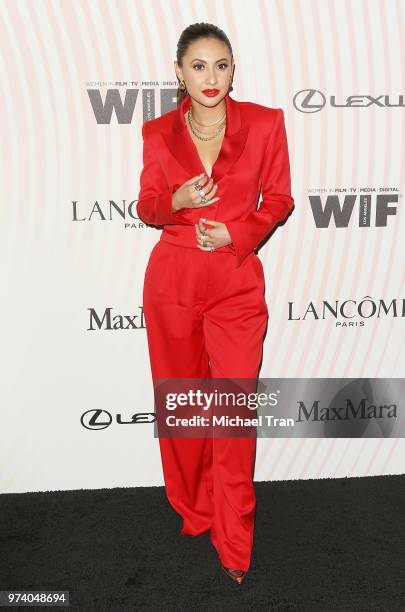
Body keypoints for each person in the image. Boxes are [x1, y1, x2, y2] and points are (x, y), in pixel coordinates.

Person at [136, 22, 294, 585]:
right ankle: (194, 509)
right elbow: (147, 204)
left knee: (231, 412)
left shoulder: (265, 123)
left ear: (233, 69)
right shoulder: (157, 133)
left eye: (221, 65)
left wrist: (239, 233)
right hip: (173, 279)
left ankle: (235, 539)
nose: (211, 77)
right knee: (182, 407)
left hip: (235, 283)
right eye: (198, 66)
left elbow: (279, 198)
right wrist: (174, 199)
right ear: (179, 71)